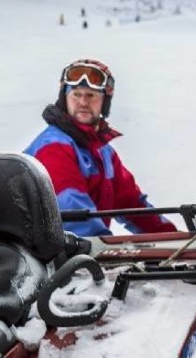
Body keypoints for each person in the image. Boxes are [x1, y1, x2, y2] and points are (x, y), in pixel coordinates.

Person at [24, 58, 177, 236]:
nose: (83, 102)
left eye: (91, 95)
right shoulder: (54, 147)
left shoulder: (103, 153)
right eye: (76, 94)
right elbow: (73, 216)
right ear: (64, 98)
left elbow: (132, 205)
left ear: (105, 101)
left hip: (77, 255)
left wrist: (174, 239)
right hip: (47, 256)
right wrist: (107, 252)